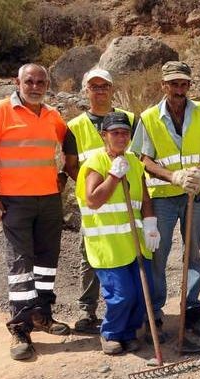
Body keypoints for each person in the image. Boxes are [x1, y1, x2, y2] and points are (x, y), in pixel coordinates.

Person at [0, 63, 70, 360]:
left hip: (49, 200)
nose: (35, 86)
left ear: (47, 84)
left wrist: (65, 175)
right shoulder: (0, 111)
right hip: (16, 201)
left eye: (41, 81)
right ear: (17, 82)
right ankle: (20, 327)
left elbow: (69, 143)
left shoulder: (53, 115)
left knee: (45, 262)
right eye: (29, 81)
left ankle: (42, 315)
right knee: (20, 265)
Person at [130, 61, 200, 338]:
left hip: (195, 194)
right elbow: (143, 158)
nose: (179, 89)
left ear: (189, 86)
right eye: (174, 84)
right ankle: (156, 312)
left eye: (184, 84)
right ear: (163, 85)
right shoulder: (148, 117)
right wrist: (172, 177)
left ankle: (192, 309)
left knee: (193, 254)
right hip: (164, 198)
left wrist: (198, 172)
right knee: (159, 255)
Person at [76, 112, 160, 355]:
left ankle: (129, 332)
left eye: (125, 132)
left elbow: (144, 197)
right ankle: (111, 333)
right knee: (121, 295)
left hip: (133, 242)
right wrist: (113, 175)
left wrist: (151, 224)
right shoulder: (96, 163)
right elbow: (93, 200)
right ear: (104, 136)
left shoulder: (134, 161)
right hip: (108, 244)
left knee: (140, 292)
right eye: (115, 133)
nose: (121, 137)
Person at [63, 68, 136, 333]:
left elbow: (137, 157)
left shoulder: (129, 119)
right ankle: (87, 310)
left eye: (104, 85)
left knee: (127, 253)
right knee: (90, 253)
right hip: (93, 202)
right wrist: (91, 187)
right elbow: (70, 165)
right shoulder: (75, 126)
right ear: (86, 91)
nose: (100, 90)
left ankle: (127, 310)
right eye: (94, 86)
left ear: (111, 88)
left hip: (127, 200)